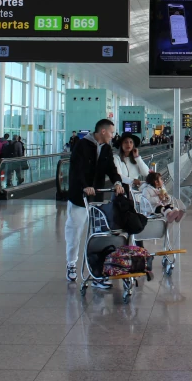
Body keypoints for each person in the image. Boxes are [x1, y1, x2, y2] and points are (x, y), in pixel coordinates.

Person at [65, 118, 124, 288]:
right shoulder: (82, 146)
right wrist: (85, 186)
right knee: (75, 232)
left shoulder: (105, 148)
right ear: (103, 131)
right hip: (79, 197)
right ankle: (71, 264)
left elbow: (111, 169)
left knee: (97, 236)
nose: (113, 136)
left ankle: (97, 271)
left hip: (96, 198)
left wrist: (117, 182)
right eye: (111, 132)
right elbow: (77, 170)